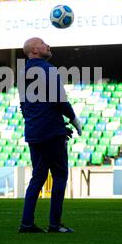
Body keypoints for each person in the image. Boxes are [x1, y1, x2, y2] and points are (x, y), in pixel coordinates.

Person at [18, 37, 82, 233]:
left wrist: (46, 123)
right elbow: (59, 100)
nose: (48, 46)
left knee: (37, 178)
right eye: (44, 43)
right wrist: (73, 119)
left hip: (34, 132)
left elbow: (25, 107)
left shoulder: (22, 73)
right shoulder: (48, 69)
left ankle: (26, 224)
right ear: (35, 49)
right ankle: (55, 224)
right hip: (52, 134)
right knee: (60, 175)